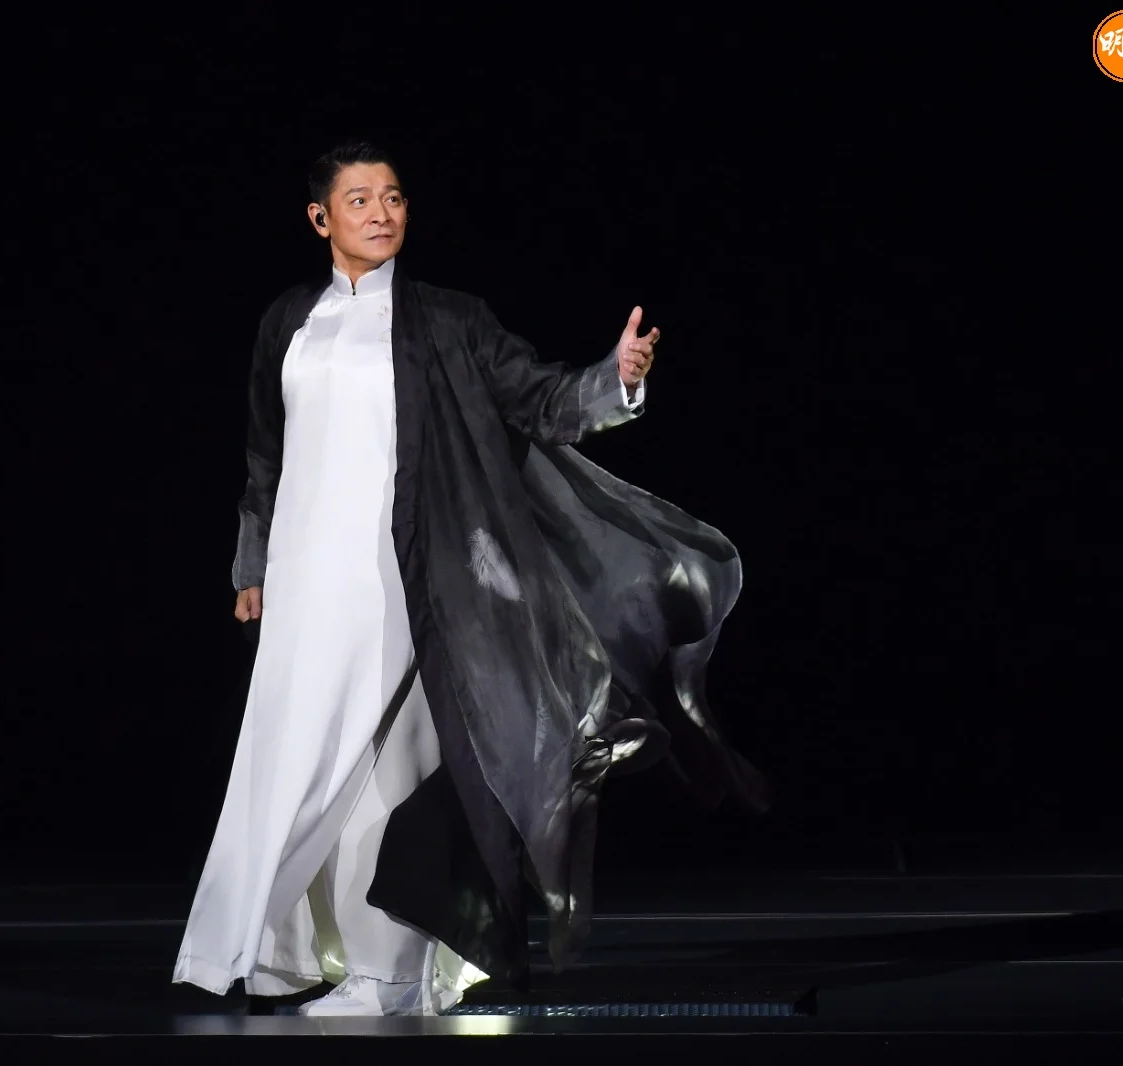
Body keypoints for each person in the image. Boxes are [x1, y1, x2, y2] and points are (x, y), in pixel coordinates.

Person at [173, 142, 766, 1017]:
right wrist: (252, 564)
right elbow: (266, 454)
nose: (381, 212)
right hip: (307, 583)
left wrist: (614, 380)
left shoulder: (447, 319)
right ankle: (288, 957)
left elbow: (539, 398)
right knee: (294, 761)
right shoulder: (288, 321)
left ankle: (392, 976)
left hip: (409, 578)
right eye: (360, 199)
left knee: (390, 769)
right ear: (320, 218)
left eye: (394, 197)